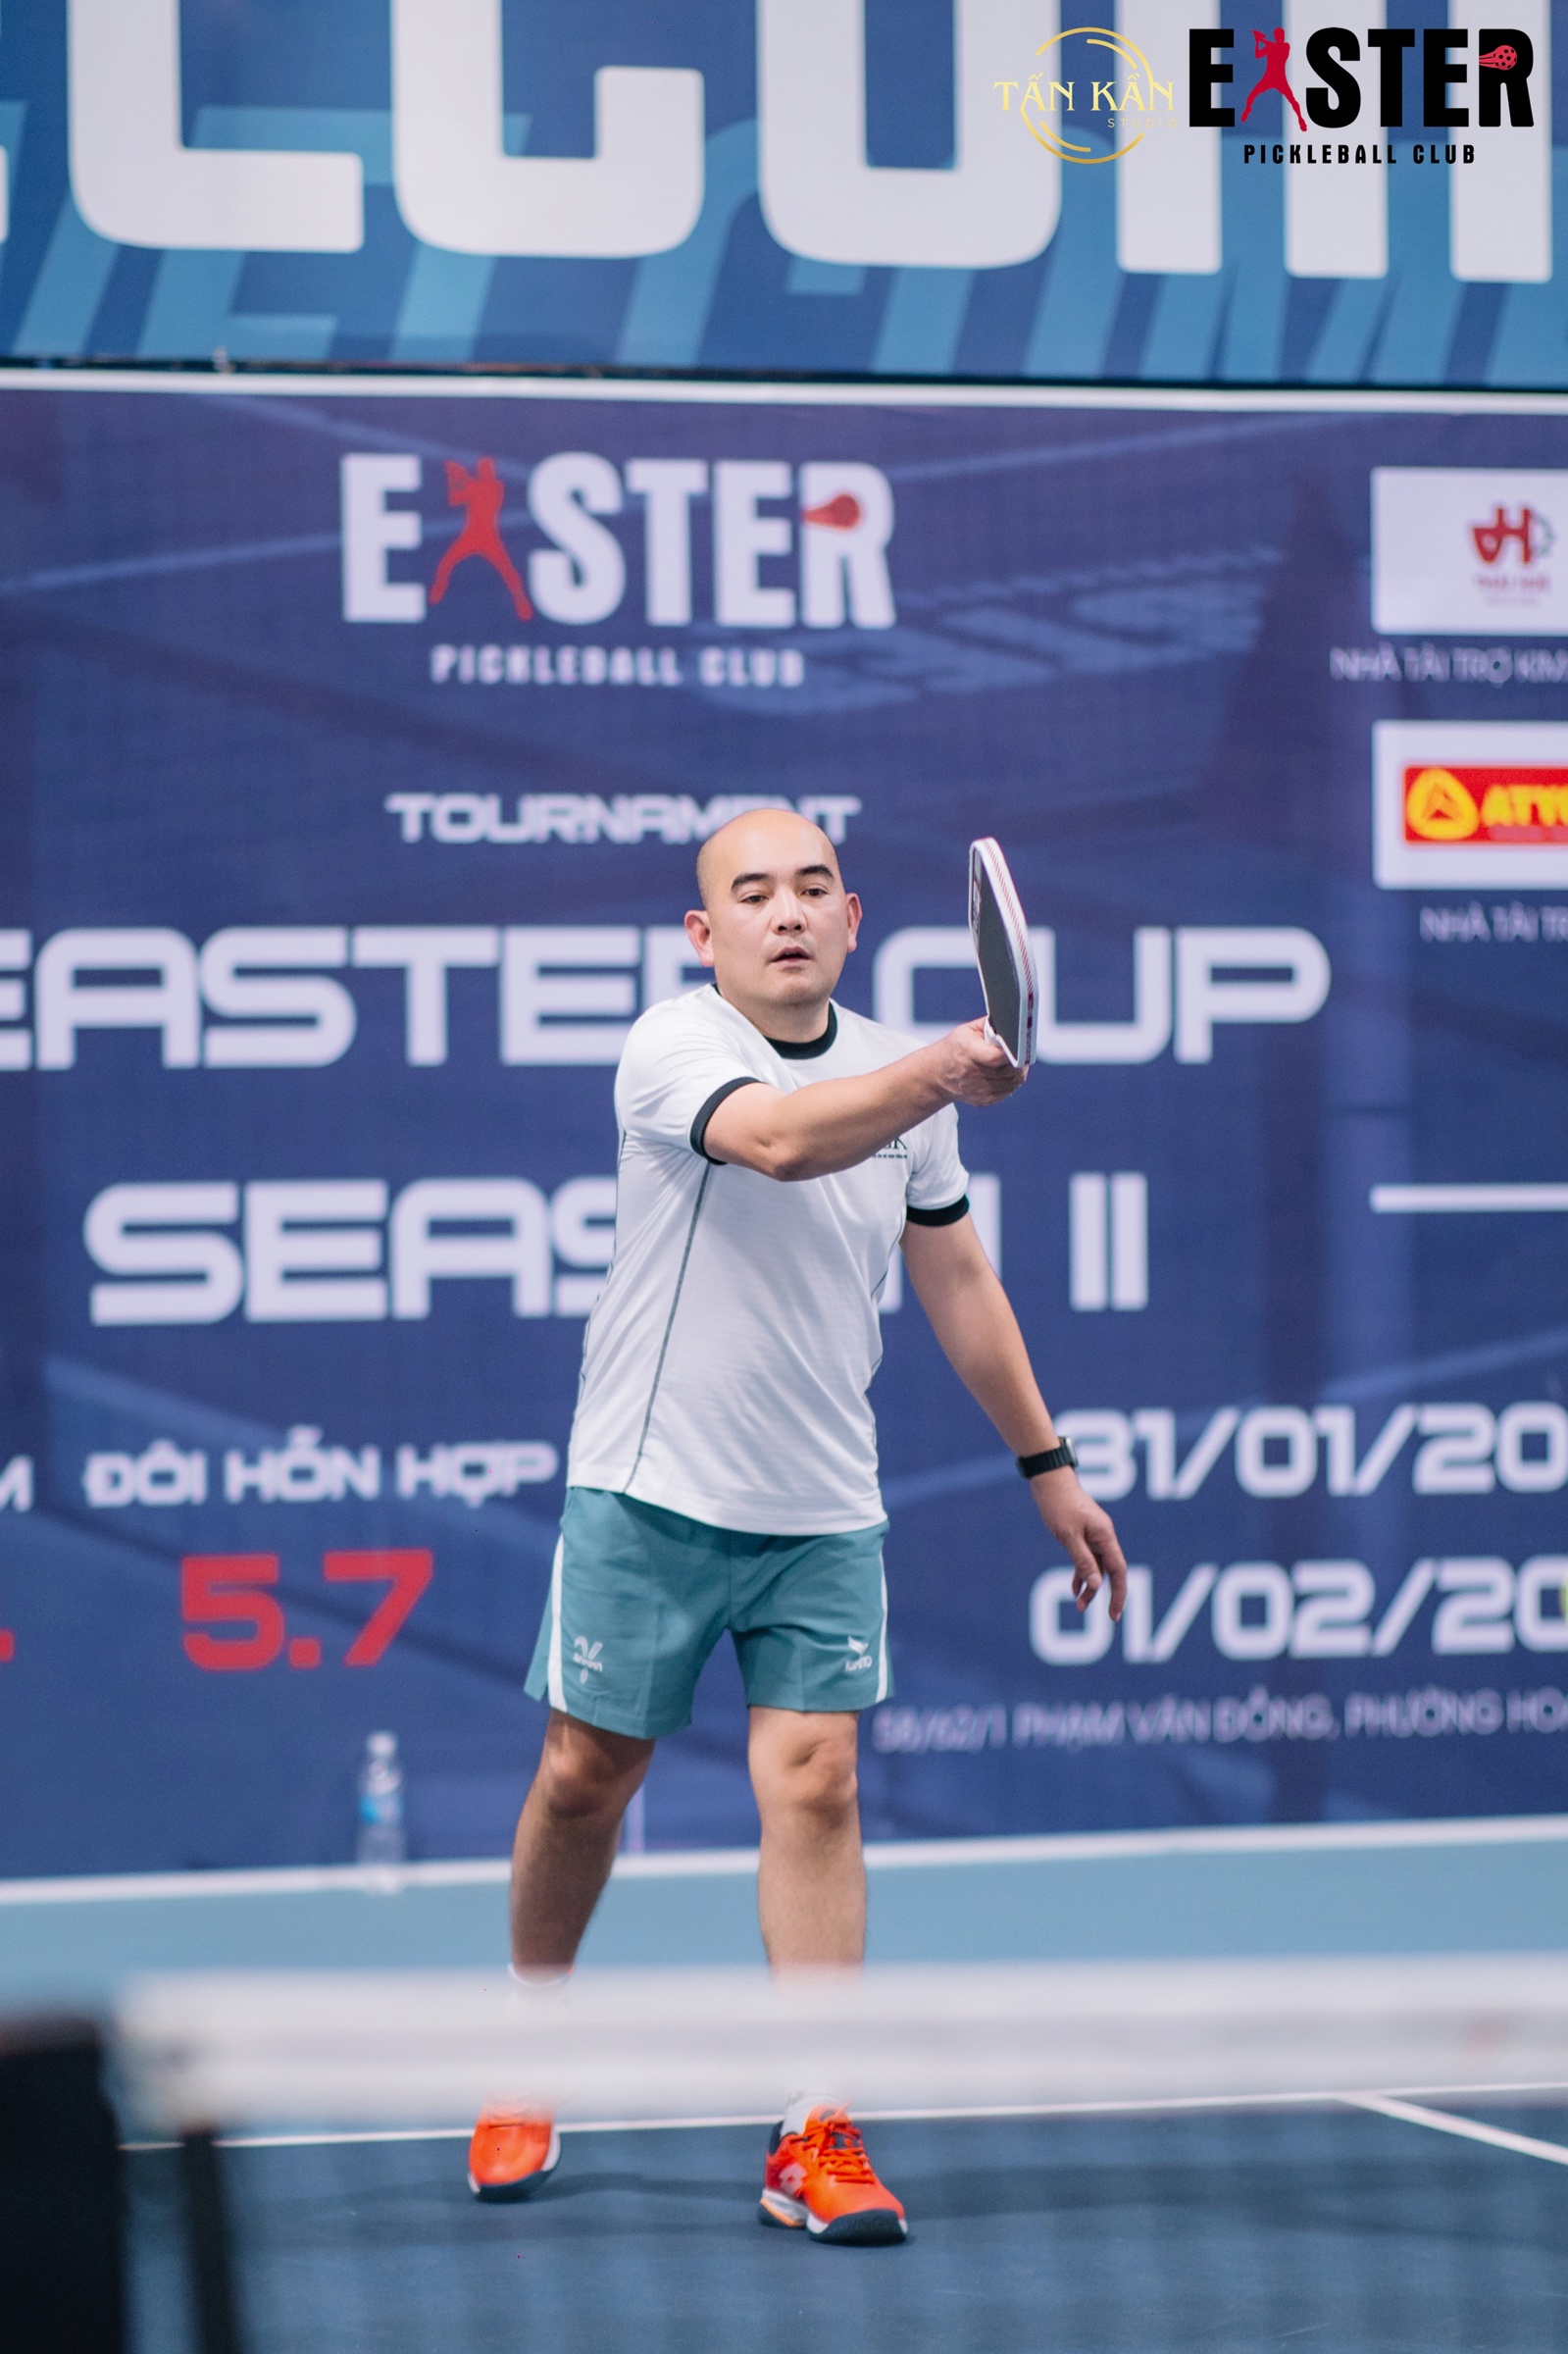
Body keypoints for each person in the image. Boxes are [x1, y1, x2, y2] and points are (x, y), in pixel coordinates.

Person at [468, 807, 1128, 2243]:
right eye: (752, 893)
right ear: (704, 934)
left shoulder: (905, 1084)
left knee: (818, 1785)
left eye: (812, 888)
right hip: (649, 1486)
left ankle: (814, 2127)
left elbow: (959, 1280)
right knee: (585, 1780)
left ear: (850, 919)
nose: (785, 912)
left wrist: (1048, 1464)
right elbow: (774, 1142)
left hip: (822, 1505)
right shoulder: (675, 1045)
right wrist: (941, 1067)